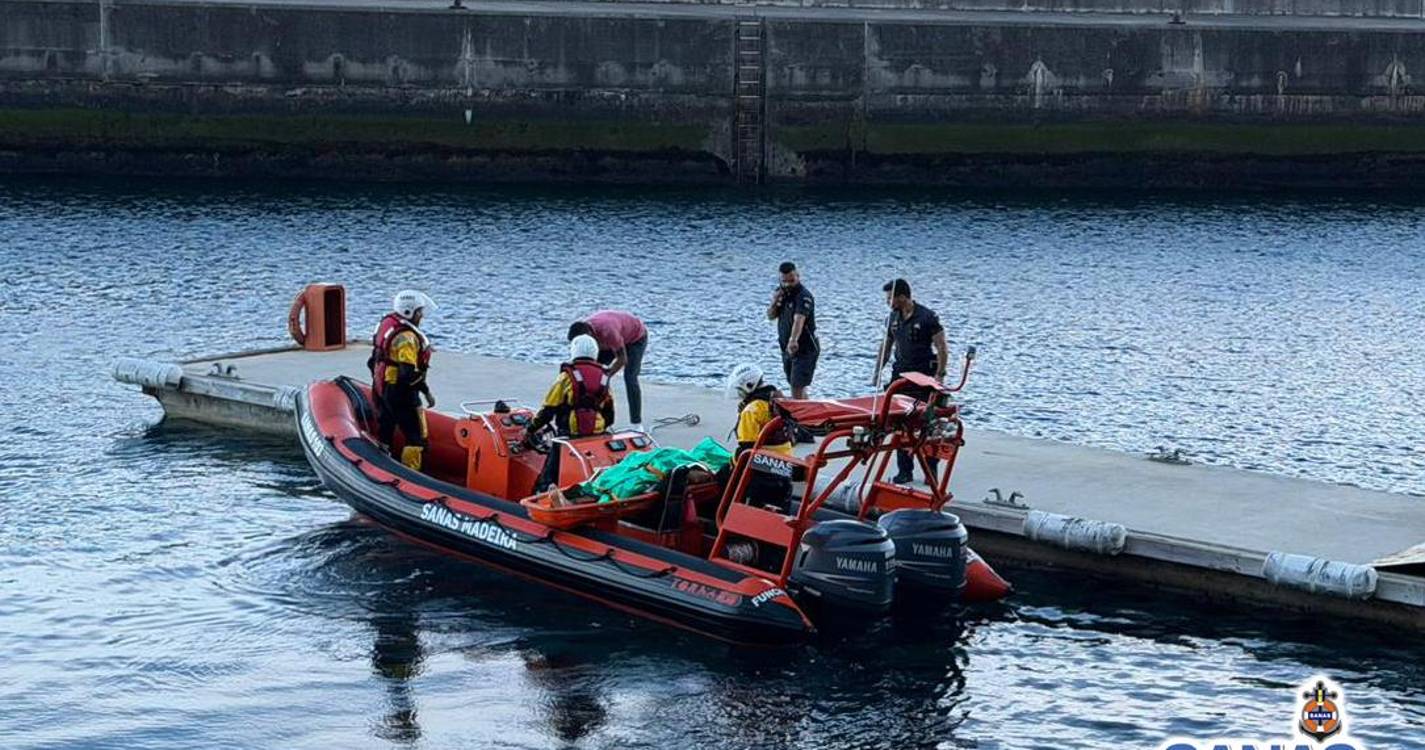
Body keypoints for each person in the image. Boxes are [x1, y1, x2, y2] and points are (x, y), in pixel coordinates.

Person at [873, 278, 949, 486]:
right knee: (901, 423)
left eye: (891, 298)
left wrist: (940, 375)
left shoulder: (927, 317)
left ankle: (930, 470)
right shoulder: (892, 318)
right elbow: (886, 345)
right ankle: (904, 470)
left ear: (903, 297)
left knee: (928, 424)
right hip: (901, 376)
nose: (888, 302)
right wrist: (877, 370)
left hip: (924, 376)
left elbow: (941, 346)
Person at [525, 334, 616, 493]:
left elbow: (548, 409)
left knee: (549, 474)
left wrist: (531, 429)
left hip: (568, 436)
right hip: (596, 435)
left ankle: (539, 497)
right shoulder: (603, 377)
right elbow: (610, 412)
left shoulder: (567, 376)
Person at [368, 290, 437, 471]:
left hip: (383, 386)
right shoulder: (406, 338)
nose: (421, 315)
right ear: (409, 312)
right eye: (419, 311)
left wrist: (378, 384)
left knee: (387, 426)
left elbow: (372, 360)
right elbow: (408, 373)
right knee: (416, 438)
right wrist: (426, 392)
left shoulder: (387, 324)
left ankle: (382, 462)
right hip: (401, 391)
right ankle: (412, 474)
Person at [569, 310, 648, 433]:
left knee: (630, 378)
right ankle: (596, 419)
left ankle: (637, 424)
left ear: (590, 335)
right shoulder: (584, 331)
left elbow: (622, 359)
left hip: (635, 339)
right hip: (611, 338)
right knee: (593, 374)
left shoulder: (608, 332)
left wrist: (606, 376)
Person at [765, 261, 818, 401]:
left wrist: (793, 340)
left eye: (792, 280)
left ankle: (798, 418)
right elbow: (771, 316)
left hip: (804, 348)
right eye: (785, 281)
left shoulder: (803, 296)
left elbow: (799, 320)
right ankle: (808, 413)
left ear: (798, 276)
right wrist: (774, 301)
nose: (788, 284)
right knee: (795, 385)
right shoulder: (782, 293)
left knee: (796, 386)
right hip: (786, 348)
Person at [725, 363, 793, 458]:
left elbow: (746, 445)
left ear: (749, 385)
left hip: (761, 461)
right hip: (784, 456)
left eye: (740, 390)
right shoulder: (778, 400)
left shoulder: (751, 410)